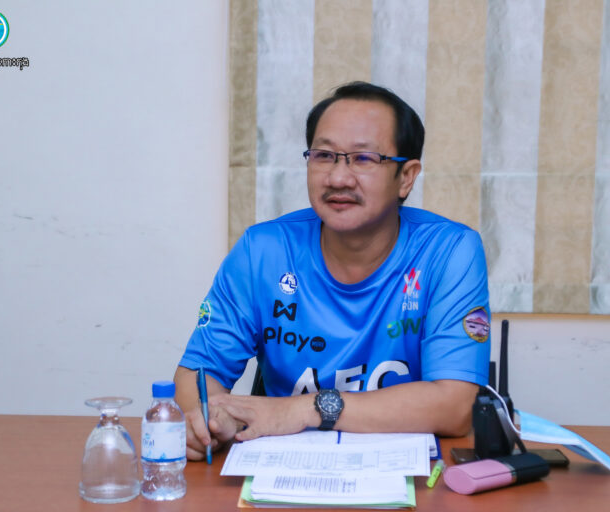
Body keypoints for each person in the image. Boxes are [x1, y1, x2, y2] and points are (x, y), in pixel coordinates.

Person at [174, 81, 491, 461]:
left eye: (364, 158)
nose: (338, 178)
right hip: (285, 469)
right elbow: (197, 376)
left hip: (409, 475)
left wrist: (304, 410)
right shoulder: (263, 250)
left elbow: (455, 407)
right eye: (324, 155)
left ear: (406, 177)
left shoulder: (449, 251)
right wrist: (211, 421)